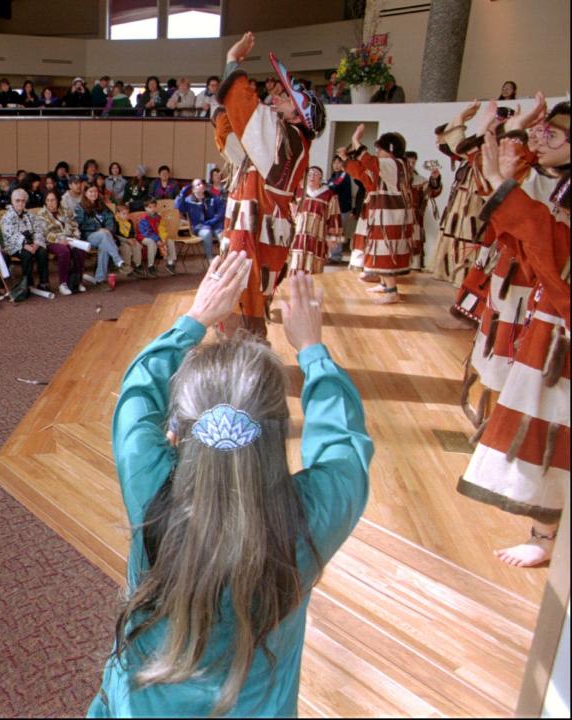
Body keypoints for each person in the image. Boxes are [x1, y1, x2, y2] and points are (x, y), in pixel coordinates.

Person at [88, 259, 372, 717]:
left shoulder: (150, 485)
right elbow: (344, 445)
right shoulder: (311, 518)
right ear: (280, 435)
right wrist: (312, 350)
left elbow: (137, 395)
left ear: (176, 432)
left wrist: (193, 321)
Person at [459, 108, 570, 568]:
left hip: (556, 319)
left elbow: (551, 243)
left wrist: (503, 186)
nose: (541, 138)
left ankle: (546, 538)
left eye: (553, 132)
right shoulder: (552, 180)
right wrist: (500, 181)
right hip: (547, 315)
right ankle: (544, 535)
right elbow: (529, 241)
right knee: (546, 422)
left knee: (552, 422)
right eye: (541, 130)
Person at [214, 33, 326, 337]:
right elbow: (237, 146)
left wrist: (232, 63)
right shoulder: (289, 141)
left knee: (243, 294)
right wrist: (226, 115)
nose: (276, 97)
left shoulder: (288, 138)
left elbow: (247, 112)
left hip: (254, 229)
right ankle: (244, 358)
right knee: (243, 295)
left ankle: (244, 364)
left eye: (286, 99)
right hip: (255, 227)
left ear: (299, 116)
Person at [345, 123, 412, 304]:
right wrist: (347, 160)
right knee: (379, 248)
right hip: (382, 214)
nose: (377, 152)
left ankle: (392, 291)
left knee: (386, 249)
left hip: (391, 216)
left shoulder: (396, 164)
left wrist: (356, 141)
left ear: (390, 150)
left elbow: (369, 162)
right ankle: (384, 285)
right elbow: (363, 175)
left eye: (379, 149)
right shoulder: (387, 167)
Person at [289, 166, 343, 274]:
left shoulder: (329, 195)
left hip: (318, 234)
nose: (312, 176)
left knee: (315, 262)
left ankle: (311, 286)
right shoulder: (298, 192)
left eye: (315, 174)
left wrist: (332, 237)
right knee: (296, 260)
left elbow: (334, 216)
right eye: (309, 174)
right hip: (299, 233)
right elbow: (290, 211)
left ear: (321, 178)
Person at [36, 190, 88, 295]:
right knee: (64, 251)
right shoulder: (41, 214)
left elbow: (74, 225)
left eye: (53, 200)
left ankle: (77, 281)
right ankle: (63, 283)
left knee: (80, 250)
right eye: (48, 200)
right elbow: (45, 233)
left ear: (58, 200)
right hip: (52, 241)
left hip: (69, 238)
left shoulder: (65, 210)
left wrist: (74, 237)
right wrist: (60, 240)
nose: (50, 203)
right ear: (45, 202)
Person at [74, 185, 125, 286]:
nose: (94, 194)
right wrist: (98, 228)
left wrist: (109, 230)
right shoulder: (80, 207)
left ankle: (100, 278)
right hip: (88, 236)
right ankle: (117, 259)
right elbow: (81, 223)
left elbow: (110, 219)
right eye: (90, 192)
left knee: (104, 245)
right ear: (85, 193)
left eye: (95, 191)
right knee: (103, 235)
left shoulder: (101, 205)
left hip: (104, 237)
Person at [1, 188, 50, 292]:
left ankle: (43, 282)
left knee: (42, 252)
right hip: (14, 245)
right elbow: (9, 235)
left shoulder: (30, 215)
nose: (20, 203)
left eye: (23, 201)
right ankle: (27, 284)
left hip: (31, 243)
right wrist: (24, 244)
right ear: (12, 201)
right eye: (17, 200)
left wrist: (36, 243)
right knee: (26, 254)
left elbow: (38, 230)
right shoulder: (7, 217)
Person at [404, 151, 442, 271]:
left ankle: (414, 266)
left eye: (413, 162)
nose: (411, 165)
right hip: (397, 216)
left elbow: (432, 192)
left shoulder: (420, 180)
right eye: (408, 162)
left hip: (415, 218)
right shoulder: (395, 178)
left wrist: (435, 179)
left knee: (415, 241)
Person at [176, 179, 225, 260]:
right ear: (193, 189)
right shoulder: (188, 200)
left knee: (223, 238)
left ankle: (225, 259)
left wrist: (213, 221)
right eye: (198, 185)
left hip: (215, 225)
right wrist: (182, 193)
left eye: (202, 184)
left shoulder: (212, 197)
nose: (201, 185)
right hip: (199, 227)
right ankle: (210, 259)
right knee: (207, 233)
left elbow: (221, 211)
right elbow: (178, 207)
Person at [137, 197, 176, 276]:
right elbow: (146, 232)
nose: (152, 209)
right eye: (150, 207)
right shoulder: (143, 218)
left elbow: (162, 229)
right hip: (144, 237)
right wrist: (157, 240)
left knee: (170, 241)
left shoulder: (158, 217)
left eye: (154, 206)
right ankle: (150, 266)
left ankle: (170, 263)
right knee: (152, 243)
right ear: (145, 208)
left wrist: (163, 238)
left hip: (156, 237)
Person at [114, 203, 148, 278]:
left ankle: (137, 265)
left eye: (127, 213)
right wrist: (127, 240)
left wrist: (132, 238)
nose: (126, 215)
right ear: (118, 213)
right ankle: (126, 268)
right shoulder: (115, 222)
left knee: (137, 246)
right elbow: (115, 234)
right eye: (124, 214)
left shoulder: (129, 222)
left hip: (129, 239)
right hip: (120, 241)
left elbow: (132, 233)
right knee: (126, 249)